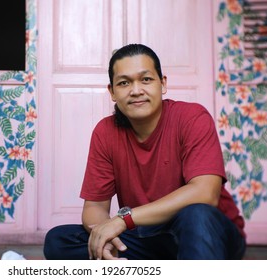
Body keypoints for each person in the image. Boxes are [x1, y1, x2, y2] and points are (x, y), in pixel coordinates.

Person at [43, 44, 246, 260]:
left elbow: (205, 194)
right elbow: (94, 207)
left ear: (163, 83)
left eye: (146, 79)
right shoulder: (105, 132)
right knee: (59, 240)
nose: (136, 90)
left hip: (208, 233)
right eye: (124, 83)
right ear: (112, 92)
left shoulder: (192, 118)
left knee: (197, 214)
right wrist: (105, 237)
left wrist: (123, 220)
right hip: (147, 235)